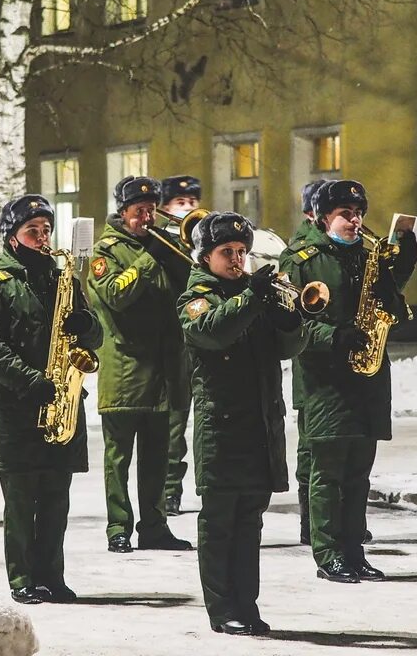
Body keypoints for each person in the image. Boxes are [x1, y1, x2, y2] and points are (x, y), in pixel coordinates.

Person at [0, 195, 102, 604]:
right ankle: (22, 578)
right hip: (18, 408)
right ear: (12, 239)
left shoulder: (64, 280)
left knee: (57, 500)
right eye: (33, 231)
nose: (43, 238)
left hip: (63, 401)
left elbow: (94, 338)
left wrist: (87, 326)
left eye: (46, 230)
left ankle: (52, 577)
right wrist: (31, 381)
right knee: (22, 502)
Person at [179, 211, 308, 635]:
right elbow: (214, 331)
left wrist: (291, 317)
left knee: (250, 520)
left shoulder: (255, 293)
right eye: (226, 253)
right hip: (222, 427)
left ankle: (247, 605)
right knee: (220, 522)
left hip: (260, 424)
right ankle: (222, 609)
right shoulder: (196, 296)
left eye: (241, 252)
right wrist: (253, 296)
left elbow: (286, 347)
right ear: (205, 256)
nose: (237, 259)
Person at [284, 179, 417, 582]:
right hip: (326, 381)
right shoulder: (301, 260)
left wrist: (401, 265)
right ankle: (328, 555)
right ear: (325, 217)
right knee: (328, 473)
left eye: (358, 214)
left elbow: (391, 305)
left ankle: (354, 550)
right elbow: (290, 326)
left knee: (359, 473)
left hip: (368, 376)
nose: (354, 221)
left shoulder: (367, 254)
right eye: (345, 214)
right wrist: (333, 336)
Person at [88, 176, 192, 553]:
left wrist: (181, 254)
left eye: (150, 211)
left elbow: (190, 288)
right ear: (123, 212)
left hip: (164, 371)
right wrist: (151, 258)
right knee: (119, 456)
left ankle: (155, 526)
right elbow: (116, 295)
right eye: (138, 212)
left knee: (158, 457)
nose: (146, 218)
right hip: (125, 371)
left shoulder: (165, 244)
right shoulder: (107, 250)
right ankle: (119, 527)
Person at [280, 178, 329, 545]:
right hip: (312, 371)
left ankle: (338, 521)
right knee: (311, 450)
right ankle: (310, 522)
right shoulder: (299, 254)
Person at [159, 174, 200, 517]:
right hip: (172, 345)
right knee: (174, 425)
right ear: (165, 208)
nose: (187, 209)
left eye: (192, 203)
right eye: (180, 203)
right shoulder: (162, 244)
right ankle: (170, 489)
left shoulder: (201, 242)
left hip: (200, 344)